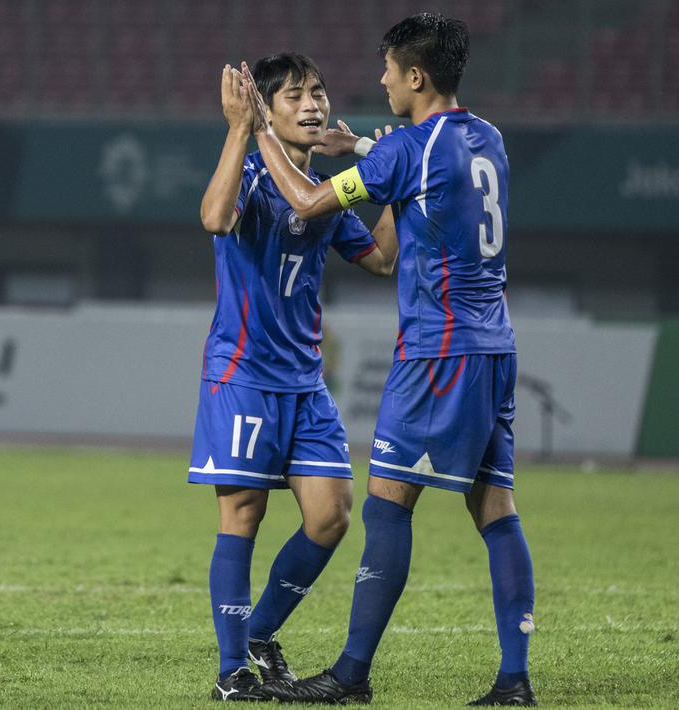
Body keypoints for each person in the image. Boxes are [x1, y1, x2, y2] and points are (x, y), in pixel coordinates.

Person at [242, 13, 536, 706]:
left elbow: (308, 199)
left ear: (416, 76)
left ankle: (350, 674)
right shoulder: (486, 137)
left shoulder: (407, 148)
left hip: (438, 352)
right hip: (494, 344)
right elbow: (418, 193)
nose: (380, 81)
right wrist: (363, 151)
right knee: (496, 509)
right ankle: (514, 679)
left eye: (388, 69)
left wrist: (258, 132)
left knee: (386, 507)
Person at [190, 52, 399, 701]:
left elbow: (382, 260)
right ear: (266, 110)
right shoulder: (251, 174)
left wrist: (395, 188)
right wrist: (238, 129)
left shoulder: (327, 194)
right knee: (243, 513)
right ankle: (232, 674)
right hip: (243, 375)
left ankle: (257, 634)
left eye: (318, 93)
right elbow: (215, 218)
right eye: (294, 96)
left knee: (331, 515)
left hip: (305, 384)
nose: (312, 105)